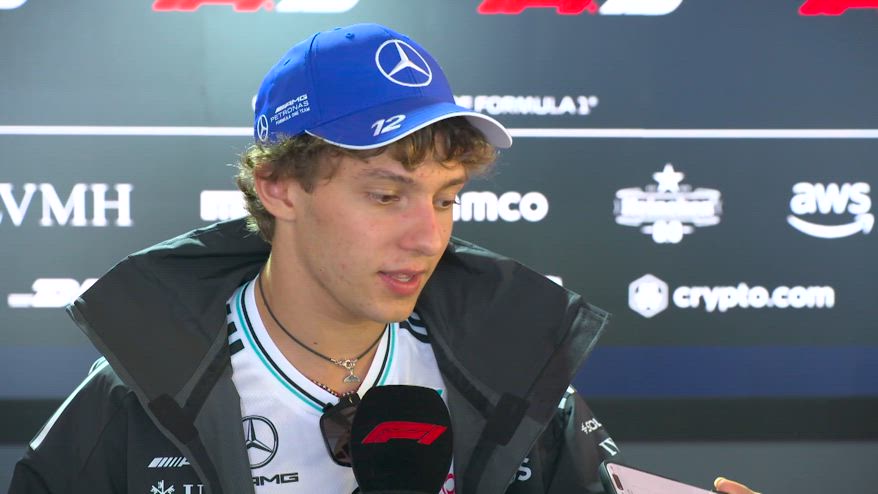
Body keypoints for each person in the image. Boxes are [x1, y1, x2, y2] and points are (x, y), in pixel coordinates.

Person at [8, 23, 758, 494]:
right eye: (386, 195)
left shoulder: (515, 373)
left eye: (445, 197)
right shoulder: (136, 394)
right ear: (278, 188)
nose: (428, 237)